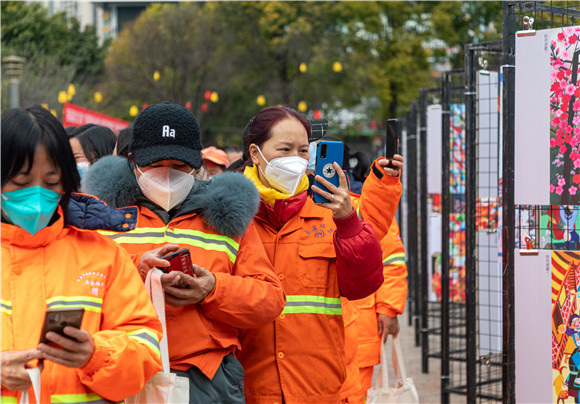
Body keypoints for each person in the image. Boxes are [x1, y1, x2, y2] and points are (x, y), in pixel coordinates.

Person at [83, 101, 285, 403]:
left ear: (197, 166)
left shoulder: (229, 218)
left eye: (179, 167)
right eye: (155, 165)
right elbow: (82, 284)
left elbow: (270, 299)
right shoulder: (103, 217)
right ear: (133, 161)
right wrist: (138, 271)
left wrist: (212, 289)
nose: (167, 175)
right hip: (121, 373)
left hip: (207, 380)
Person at [1, 105, 163, 402]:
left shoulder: (104, 256)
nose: (38, 197)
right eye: (21, 183)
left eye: (51, 183)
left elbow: (146, 347)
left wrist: (96, 355)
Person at [235, 105, 391, 403]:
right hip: (250, 386)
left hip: (318, 387)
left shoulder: (329, 212)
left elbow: (363, 284)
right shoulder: (232, 218)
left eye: (303, 151)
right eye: (284, 149)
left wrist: (347, 220)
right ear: (255, 154)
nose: (295, 159)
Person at [346, 218, 408, 404]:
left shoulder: (368, 201)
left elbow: (390, 260)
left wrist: (389, 307)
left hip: (358, 326)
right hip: (323, 330)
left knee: (355, 395)